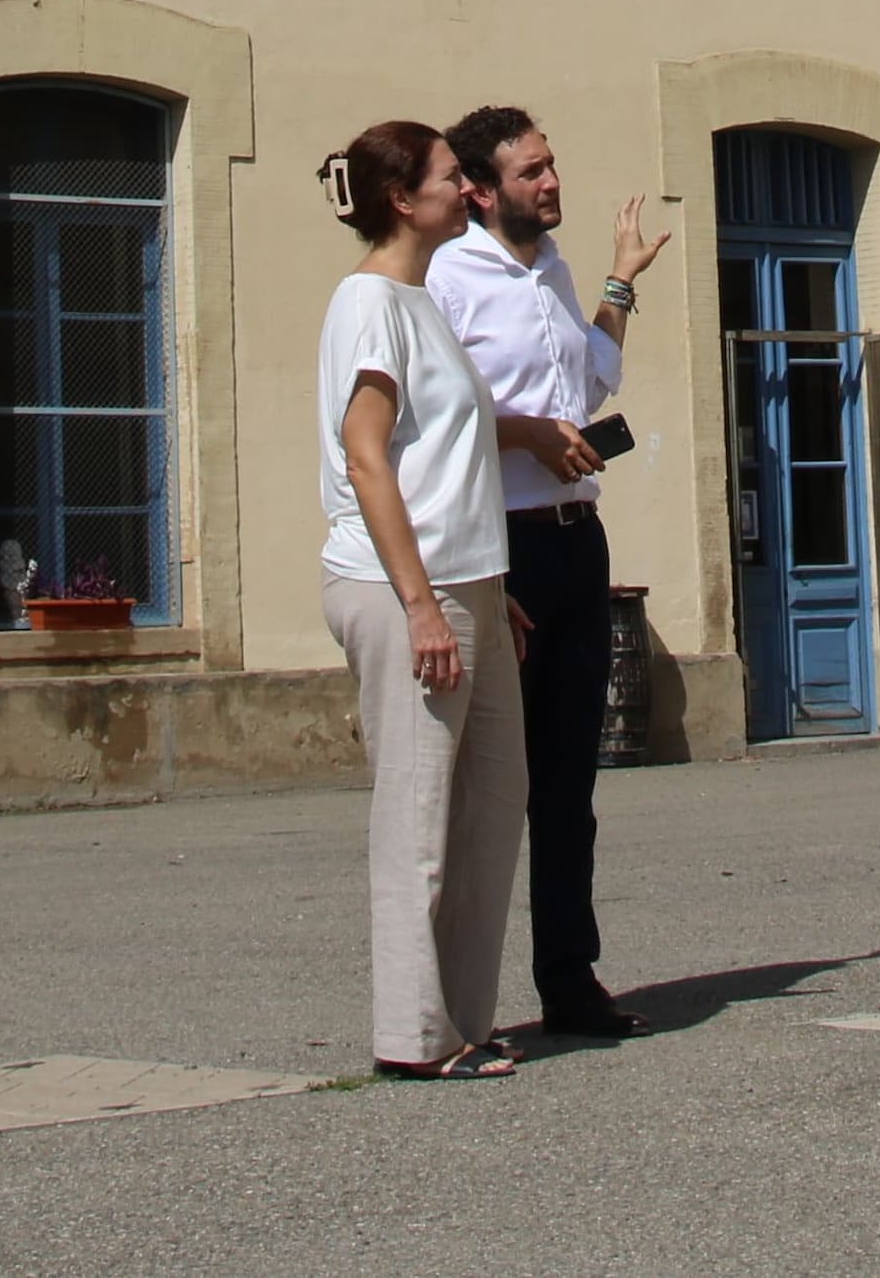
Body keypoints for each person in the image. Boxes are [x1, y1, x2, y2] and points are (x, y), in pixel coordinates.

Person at [430, 103, 671, 1038]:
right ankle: (458, 1003)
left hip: (578, 542)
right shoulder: (449, 277)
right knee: (491, 785)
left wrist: (619, 282)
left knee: (571, 785)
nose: (552, 182)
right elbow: (431, 415)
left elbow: (591, 380)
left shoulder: (552, 270)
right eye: (532, 171)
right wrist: (525, 432)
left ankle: (570, 981)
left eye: (553, 164)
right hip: (503, 545)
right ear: (483, 191)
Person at [316, 115, 529, 1080]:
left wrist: (489, 589)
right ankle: (411, 1034)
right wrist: (422, 605)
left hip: (467, 581)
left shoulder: (423, 300)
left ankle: (464, 1015)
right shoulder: (370, 303)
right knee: (419, 814)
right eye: (455, 177)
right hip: (406, 585)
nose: (471, 189)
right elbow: (368, 459)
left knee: (495, 800)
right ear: (403, 198)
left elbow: (447, 460)